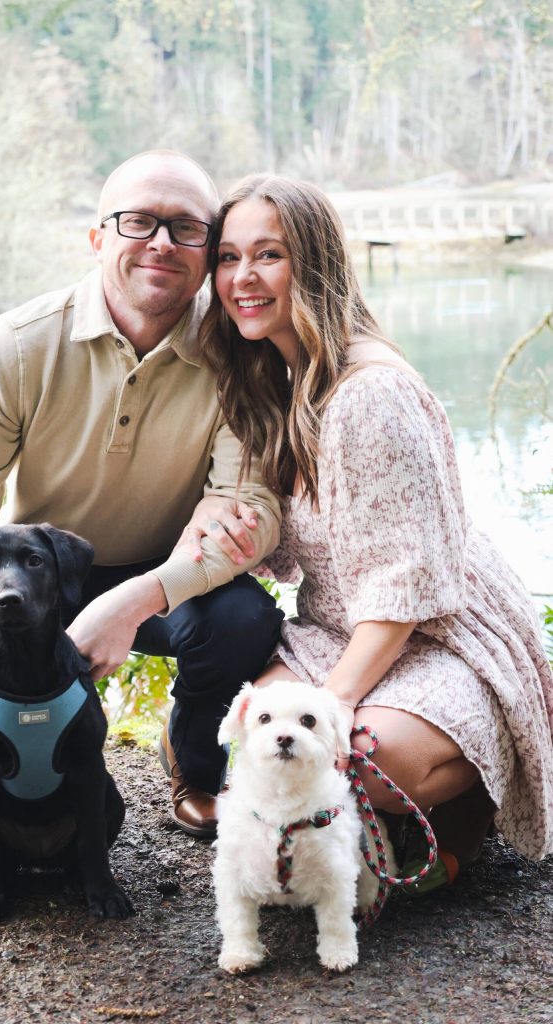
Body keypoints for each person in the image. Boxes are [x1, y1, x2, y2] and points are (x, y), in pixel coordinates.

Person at [0, 152, 285, 839]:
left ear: (209, 252)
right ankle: (12, 754)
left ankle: (192, 756)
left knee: (242, 622)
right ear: (98, 239)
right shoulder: (20, 344)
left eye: (186, 227)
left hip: (168, 574)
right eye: (138, 221)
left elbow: (253, 515)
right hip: (31, 571)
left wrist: (135, 599)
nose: (160, 241)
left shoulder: (242, 354)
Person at [187, 173, 553, 872]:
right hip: (337, 629)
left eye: (268, 254)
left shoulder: (369, 394)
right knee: (228, 737)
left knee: (350, 755)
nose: (242, 277)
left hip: (438, 633)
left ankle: (466, 801)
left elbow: (401, 588)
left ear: (314, 263)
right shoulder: (283, 379)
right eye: (228, 258)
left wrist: (332, 704)